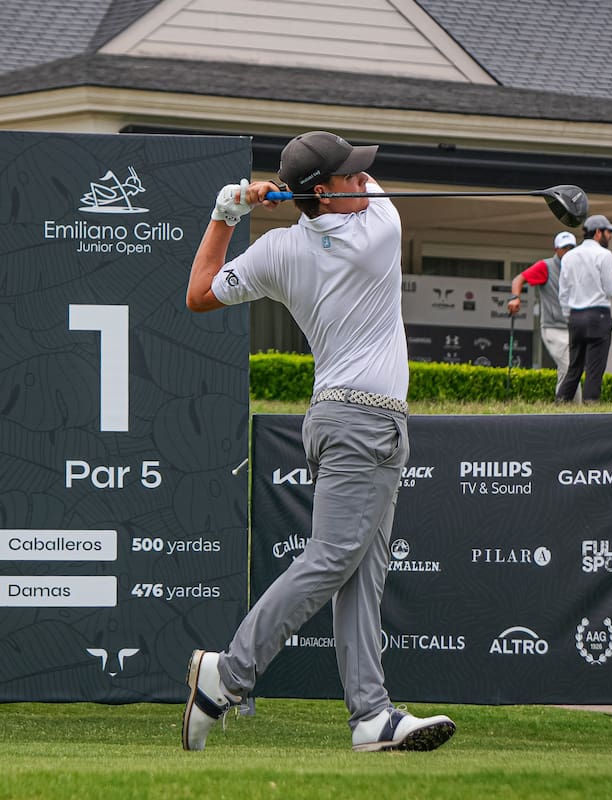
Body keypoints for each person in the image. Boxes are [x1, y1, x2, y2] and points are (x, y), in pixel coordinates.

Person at [181, 131, 456, 753]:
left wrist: (227, 213)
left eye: (363, 177)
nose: (364, 183)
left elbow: (198, 293)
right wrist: (292, 196)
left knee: (363, 573)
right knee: (334, 558)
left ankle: (370, 717)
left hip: (347, 420)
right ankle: (227, 675)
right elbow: (363, 198)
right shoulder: (379, 228)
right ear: (324, 192)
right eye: (351, 178)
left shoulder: (279, 250)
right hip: (364, 426)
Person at [555, 215, 612, 402]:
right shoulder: (604, 255)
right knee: (594, 369)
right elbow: (611, 289)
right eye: (608, 232)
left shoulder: (569, 256)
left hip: (575, 317)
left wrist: (569, 316)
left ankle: (559, 405)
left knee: (574, 368)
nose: (610, 236)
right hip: (598, 316)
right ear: (598, 232)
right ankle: (591, 407)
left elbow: (563, 292)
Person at [507, 231, 577, 398]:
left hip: (573, 328)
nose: (568, 251)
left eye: (571, 248)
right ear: (556, 250)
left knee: (566, 370)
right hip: (553, 328)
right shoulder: (545, 266)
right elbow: (518, 279)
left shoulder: (577, 268)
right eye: (564, 248)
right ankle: (575, 409)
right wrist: (516, 297)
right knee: (571, 369)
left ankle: (563, 408)